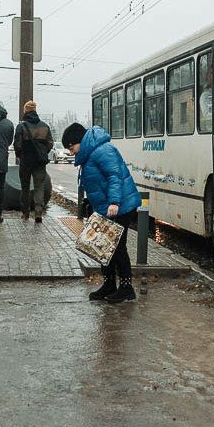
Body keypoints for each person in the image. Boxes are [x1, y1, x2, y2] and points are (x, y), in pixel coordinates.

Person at [61, 122, 142, 303]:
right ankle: (109, 284)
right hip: (106, 208)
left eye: (71, 147)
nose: (71, 152)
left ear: (79, 141)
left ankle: (127, 287)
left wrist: (114, 202)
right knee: (104, 248)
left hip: (120, 206)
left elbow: (115, 177)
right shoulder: (90, 154)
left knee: (117, 247)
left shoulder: (102, 150)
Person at [13, 100, 53, 223]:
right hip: (40, 162)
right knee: (39, 187)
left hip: (26, 161)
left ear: (25, 111)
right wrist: (42, 153)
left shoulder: (21, 126)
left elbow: (17, 145)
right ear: (35, 110)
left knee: (25, 188)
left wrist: (20, 155)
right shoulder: (45, 126)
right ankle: (38, 213)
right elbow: (50, 143)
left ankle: (25, 213)